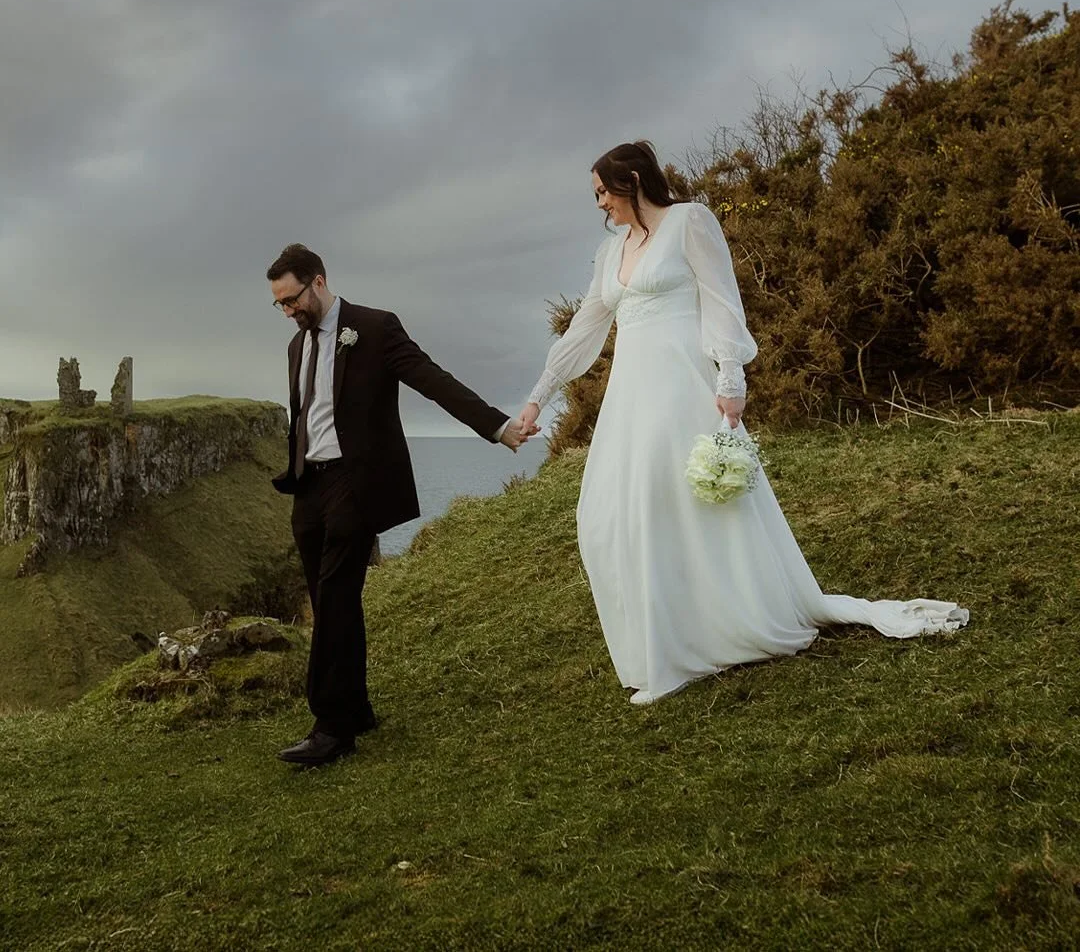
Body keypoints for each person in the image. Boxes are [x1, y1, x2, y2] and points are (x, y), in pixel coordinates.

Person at [519, 141, 967, 705]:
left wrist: (731, 378)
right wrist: (540, 395)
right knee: (607, 513)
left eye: (604, 191)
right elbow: (586, 325)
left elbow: (722, 300)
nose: (601, 204)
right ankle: (665, 641)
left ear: (632, 181)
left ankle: (690, 648)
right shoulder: (612, 253)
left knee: (692, 502)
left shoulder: (690, 222)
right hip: (631, 395)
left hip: (683, 383)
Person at [267, 243, 531, 765]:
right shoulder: (297, 347)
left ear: (318, 282)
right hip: (309, 487)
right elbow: (305, 417)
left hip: (355, 483)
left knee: (337, 597)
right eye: (279, 304)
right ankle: (357, 706)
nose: (288, 312)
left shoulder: (376, 327)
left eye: (292, 299)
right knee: (329, 603)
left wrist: (498, 427)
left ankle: (331, 727)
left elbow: (434, 382)